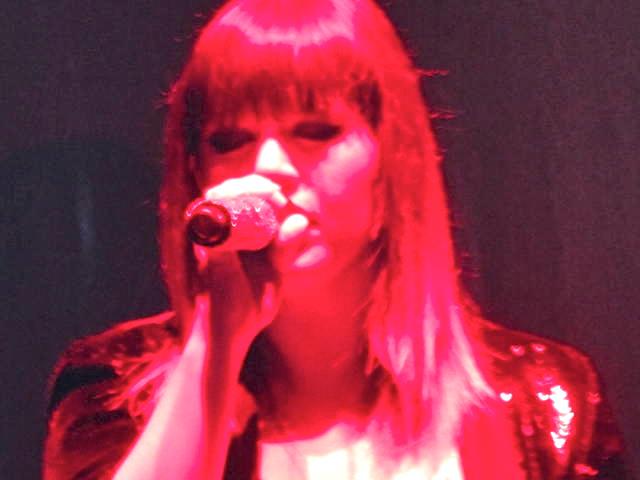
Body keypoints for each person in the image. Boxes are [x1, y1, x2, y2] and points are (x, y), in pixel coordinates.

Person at [42, 0, 630, 479]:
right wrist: (212, 348)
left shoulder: (547, 399)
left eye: (316, 132)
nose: (268, 167)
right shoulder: (113, 394)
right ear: (196, 172)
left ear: (390, 159)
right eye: (230, 141)